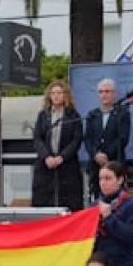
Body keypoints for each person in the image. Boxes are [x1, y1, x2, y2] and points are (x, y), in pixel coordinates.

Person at [31, 79, 84, 212]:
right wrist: (46, 156)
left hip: (67, 165)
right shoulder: (43, 115)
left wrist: (62, 157)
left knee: (69, 201)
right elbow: (37, 138)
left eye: (59, 93)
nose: (56, 96)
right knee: (44, 201)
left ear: (65, 95)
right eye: (53, 93)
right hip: (46, 166)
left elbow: (76, 140)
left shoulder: (73, 115)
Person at [92, 163, 133, 266]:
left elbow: (132, 236)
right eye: (101, 179)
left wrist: (109, 218)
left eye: (108, 178)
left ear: (120, 180)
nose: (103, 183)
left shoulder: (131, 205)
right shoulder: (94, 206)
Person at [84, 79, 132, 200]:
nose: (104, 95)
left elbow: (122, 138)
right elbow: (88, 139)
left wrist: (106, 155)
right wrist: (96, 155)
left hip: (115, 162)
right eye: (101, 92)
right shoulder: (93, 114)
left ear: (114, 94)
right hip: (96, 165)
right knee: (97, 199)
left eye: (107, 91)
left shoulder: (122, 113)